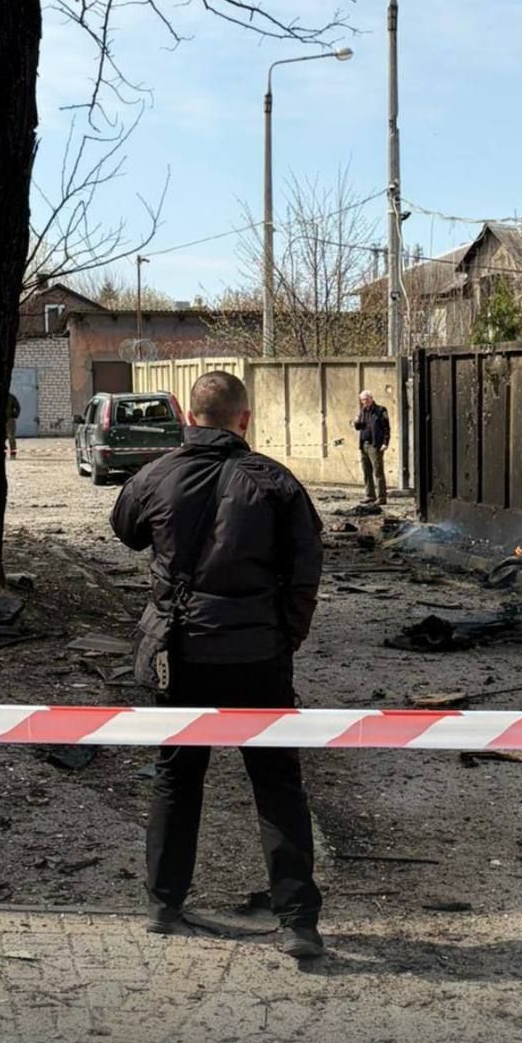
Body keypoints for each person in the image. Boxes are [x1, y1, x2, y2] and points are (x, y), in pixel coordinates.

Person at [110, 370, 326, 957]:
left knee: (176, 776)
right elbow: (306, 567)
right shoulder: (276, 482)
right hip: (258, 656)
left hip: (180, 651)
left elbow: (126, 529)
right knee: (277, 783)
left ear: (189, 417)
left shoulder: (157, 474)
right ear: (244, 420)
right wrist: (286, 637)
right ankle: (298, 923)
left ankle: (163, 905)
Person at [352, 389, 390, 505]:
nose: (365, 402)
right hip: (364, 444)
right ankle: (370, 495)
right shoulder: (362, 411)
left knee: (378, 471)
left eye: (366, 399)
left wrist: (385, 443)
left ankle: (382, 497)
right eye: (363, 400)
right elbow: (359, 427)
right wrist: (355, 422)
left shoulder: (380, 410)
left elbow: (386, 428)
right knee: (366, 471)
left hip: (375, 445)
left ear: (371, 398)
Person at [6, 391, 21, 460]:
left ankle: (13, 454)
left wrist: (14, 415)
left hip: (9, 420)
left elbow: (18, 407)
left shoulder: (11, 397)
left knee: (11, 437)